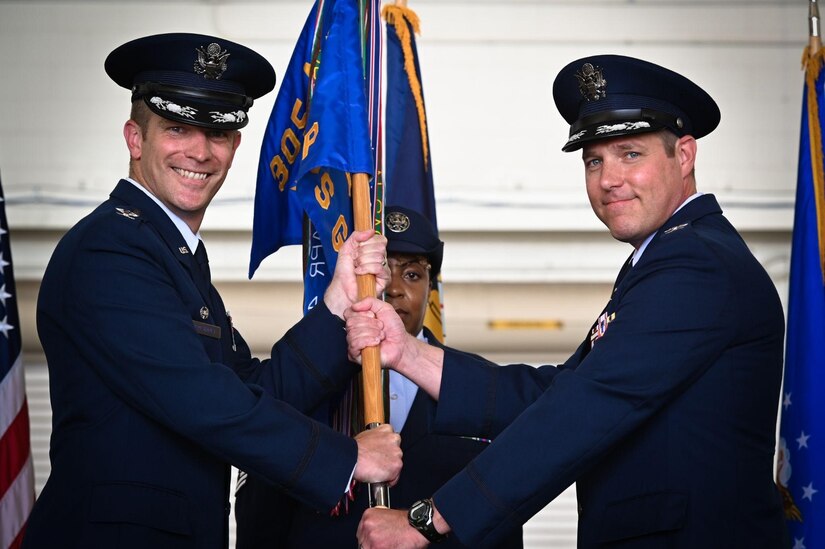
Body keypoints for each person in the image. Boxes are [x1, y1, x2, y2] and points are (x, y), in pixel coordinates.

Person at [347, 54, 789, 548]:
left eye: (630, 154)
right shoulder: (672, 257)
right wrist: (409, 354)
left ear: (683, 155)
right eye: (594, 160)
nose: (608, 179)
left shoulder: (696, 265)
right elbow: (556, 395)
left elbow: (582, 411)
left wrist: (427, 520)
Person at [22, 33, 402, 549]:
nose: (199, 152)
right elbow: (205, 401)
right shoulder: (109, 250)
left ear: (234, 146)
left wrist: (336, 303)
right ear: (136, 138)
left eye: (217, 134)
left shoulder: (172, 256)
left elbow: (256, 392)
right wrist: (347, 458)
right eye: (178, 128)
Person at [234, 206, 523, 548]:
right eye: (379, 272)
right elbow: (261, 510)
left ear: (433, 288)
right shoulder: (306, 375)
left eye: (413, 275)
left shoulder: (475, 385)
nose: (395, 289)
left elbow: (503, 513)